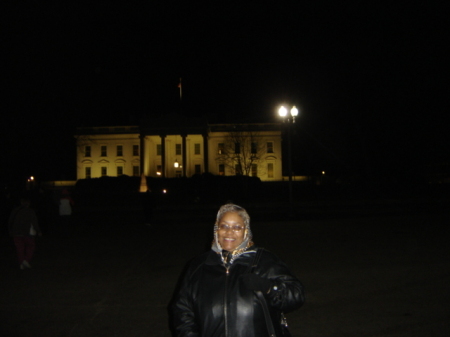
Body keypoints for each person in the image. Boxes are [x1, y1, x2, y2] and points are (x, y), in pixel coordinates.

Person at [171, 203, 305, 337]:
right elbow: (182, 311)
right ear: (216, 229)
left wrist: (270, 288)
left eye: (237, 227)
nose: (229, 232)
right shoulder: (199, 266)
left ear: (246, 231)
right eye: (224, 226)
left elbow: (296, 295)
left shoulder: (264, 261)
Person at [8, 197, 42, 270]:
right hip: (27, 232)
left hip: (16, 232)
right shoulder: (30, 211)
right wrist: (38, 231)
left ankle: (21, 262)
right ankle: (26, 260)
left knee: (19, 248)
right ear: (28, 203)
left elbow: (10, 221)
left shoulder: (15, 210)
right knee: (31, 246)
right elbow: (34, 222)